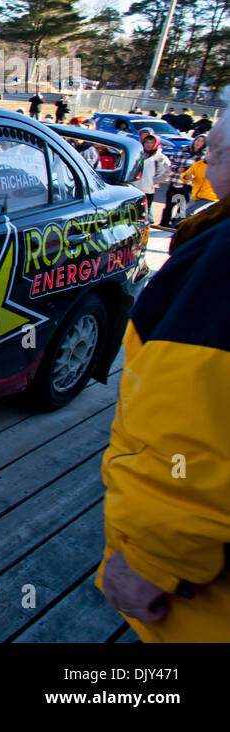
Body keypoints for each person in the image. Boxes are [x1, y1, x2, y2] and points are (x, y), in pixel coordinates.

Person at [96, 114, 230, 641]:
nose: (209, 142)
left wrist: (153, 559)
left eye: (225, 130)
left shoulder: (223, 262)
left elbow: (192, 432)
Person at [133, 132, 171, 223]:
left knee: (144, 211)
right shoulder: (139, 155)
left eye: (151, 143)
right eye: (147, 142)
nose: (148, 145)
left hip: (147, 189)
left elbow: (167, 172)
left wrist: (153, 181)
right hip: (134, 187)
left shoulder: (160, 158)